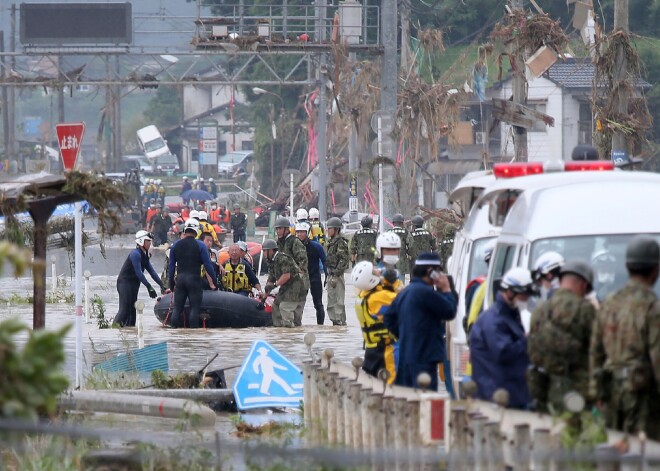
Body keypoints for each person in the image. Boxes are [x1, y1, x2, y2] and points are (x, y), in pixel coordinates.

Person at [590, 236, 660, 439]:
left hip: (611, 392)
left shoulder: (610, 302)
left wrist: (597, 392)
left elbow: (596, 351)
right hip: (642, 397)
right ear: (656, 269)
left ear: (627, 267)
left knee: (613, 449)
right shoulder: (652, 307)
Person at [527, 259, 596, 413]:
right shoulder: (585, 310)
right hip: (576, 394)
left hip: (542, 389)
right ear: (584, 285)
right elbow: (596, 350)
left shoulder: (540, 310)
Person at [384, 253, 457, 391]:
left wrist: (405, 335)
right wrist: (447, 289)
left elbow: (388, 318)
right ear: (431, 272)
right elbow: (450, 311)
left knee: (407, 399)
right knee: (425, 401)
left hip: (406, 356)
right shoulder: (425, 293)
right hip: (424, 358)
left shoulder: (405, 292)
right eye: (438, 271)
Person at [469, 267, 537, 409]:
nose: (526, 300)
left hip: (512, 393)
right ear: (510, 292)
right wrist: (528, 340)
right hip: (498, 397)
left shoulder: (510, 316)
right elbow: (503, 352)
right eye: (523, 296)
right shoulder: (494, 321)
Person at [351, 261, 400, 383]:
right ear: (371, 278)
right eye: (375, 271)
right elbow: (405, 298)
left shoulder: (362, 295)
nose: (379, 270)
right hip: (385, 351)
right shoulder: (378, 298)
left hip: (371, 352)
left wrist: (385, 282)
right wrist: (395, 282)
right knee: (390, 386)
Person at [167, 219, 217, 328]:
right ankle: (193, 334)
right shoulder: (201, 245)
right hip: (194, 280)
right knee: (195, 308)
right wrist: (215, 281)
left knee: (177, 309)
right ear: (196, 231)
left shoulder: (175, 245)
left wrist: (171, 283)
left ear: (185, 230)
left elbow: (171, 268)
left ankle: (173, 333)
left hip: (180, 280)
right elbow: (208, 266)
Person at [113, 231, 168, 327]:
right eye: (148, 241)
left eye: (150, 241)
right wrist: (149, 287)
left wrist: (162, 285)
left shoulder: (144, 255)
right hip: (124, 283)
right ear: (141, 241)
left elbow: (152, 272)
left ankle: (130, 336)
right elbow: (139, 273)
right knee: (124, 310)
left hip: (134, 285)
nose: (150, 243)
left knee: (133, 312)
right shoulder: (135, 254)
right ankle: (113, 330)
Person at [262, 238, 305, 328]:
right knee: (276, 306)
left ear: (271, 250)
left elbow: (286, 275)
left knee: (285, 307)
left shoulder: (282, 258)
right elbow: (271, 279)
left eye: (265, 251)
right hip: (285, 286)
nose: (264, 253)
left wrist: (274, 285)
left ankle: (290, 330)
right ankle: (280, 330)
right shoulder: (271, 261)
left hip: (295, 285)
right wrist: (264, 297)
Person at [274, 216, 309, 326]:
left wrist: (298, 276)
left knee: (296, 315)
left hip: (298, 283)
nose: (278, 231)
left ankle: (293, 338)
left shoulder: (295, 242)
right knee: (278, 309)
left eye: (280, 229)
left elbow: (303, 260)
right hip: (286, 282)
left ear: (286, 229)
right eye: (277, 229)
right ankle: (284, 336)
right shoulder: (279, 243)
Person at [296, 222, 327, 325]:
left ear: (307, 233)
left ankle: (320, 326)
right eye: (298, 232)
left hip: (314, 278)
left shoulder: (316, 246)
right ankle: (296, 326)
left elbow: (324, 261)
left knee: (318, 304)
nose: (300, 234)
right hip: (300, 280)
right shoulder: (293, 246)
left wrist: (327, 276)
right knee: (298, 305)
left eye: (302, 232)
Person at [325, 217, 350, 326]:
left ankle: (340, 322)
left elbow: (343, 260)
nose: (328, 230)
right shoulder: (331, 242)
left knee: (338, 302)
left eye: (330, 228)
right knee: (331, 302)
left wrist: (336, 274)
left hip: (337, 276)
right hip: (331, 274)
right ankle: (335, 323)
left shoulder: (341, 243)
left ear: (336, 230)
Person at [388, 213, 413, 280]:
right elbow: (411, 245)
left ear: (393, 223)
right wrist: (408, 253)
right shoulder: (406, 232)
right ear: (402, 223)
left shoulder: (388, 232)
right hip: (402, 261)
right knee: (401, 282)